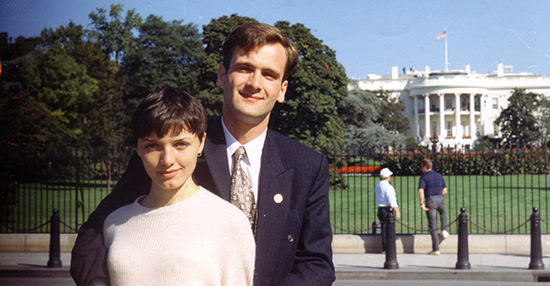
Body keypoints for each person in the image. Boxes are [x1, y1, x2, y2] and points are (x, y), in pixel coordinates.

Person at [71, 22, 335, 286]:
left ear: (282, 89)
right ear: (222, 75)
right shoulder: (176, 147)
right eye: (244, 68)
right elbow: (96, 233)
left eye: (269, 74)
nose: (255, 83)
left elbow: (317, 263)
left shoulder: (306, 165)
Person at [104, 87, 255, 285]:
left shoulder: (229, 222)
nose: (167, 160)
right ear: (138, 148)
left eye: (180, 144)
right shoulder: (115, 223)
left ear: (201, 143)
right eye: (152, 146)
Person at [418, 158, 449, 256]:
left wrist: (421, 203)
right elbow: (445, 190)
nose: (421, 169)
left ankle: (436, 249)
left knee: (433, 225)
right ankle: (444, 229)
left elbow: (421, 190)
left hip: (430, 200)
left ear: (425, 166)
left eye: (422, 166)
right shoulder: (439, 175)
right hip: (440, 198)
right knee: (443, 212)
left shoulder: (423, 177)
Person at [374, 167, 400, 253]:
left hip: (380, 209)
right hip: (387, 210)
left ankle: (385, 247)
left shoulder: (378, 185)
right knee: (389, 230)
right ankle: (389, 247)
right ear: (388, 177)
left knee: (384, 229)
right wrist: (397, 210)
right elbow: (392, 199)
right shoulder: (388, 187)